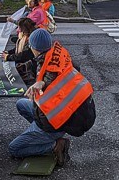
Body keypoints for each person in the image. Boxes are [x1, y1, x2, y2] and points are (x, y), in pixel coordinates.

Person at [9, 29, 96, 166]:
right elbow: (52, 76)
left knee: (15, 149)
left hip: (54, 122)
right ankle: (39, 135)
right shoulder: (58, 57)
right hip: (65, 115)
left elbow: (50, 79)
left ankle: (55, 144)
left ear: (33, 48)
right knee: (21, 104)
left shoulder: (49, 71)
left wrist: (41, 83)